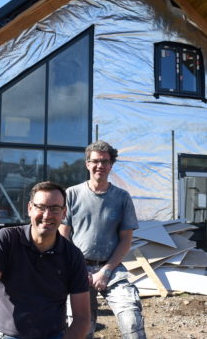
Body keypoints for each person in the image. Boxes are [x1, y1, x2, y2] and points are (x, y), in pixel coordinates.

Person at [0, 181, 91, 339]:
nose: (47, 215)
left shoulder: (73, 256)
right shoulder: (7, 240)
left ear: (64, 213)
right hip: (8, 335)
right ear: (30, 209)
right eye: (41, 207)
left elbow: (82, 318)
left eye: (54, 208)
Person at [60, 141, 146, 339]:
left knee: (131, 319)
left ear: (111, 165)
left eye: (105, 161)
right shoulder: (72, 194)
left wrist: (105, 271)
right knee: (80, 327)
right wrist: (76, 269)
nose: (100, 165)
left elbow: (126, 240)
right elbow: (63, 237)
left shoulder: (122, 197)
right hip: (78, 269)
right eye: (96, 161)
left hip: (113, 270)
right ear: (87, 164)